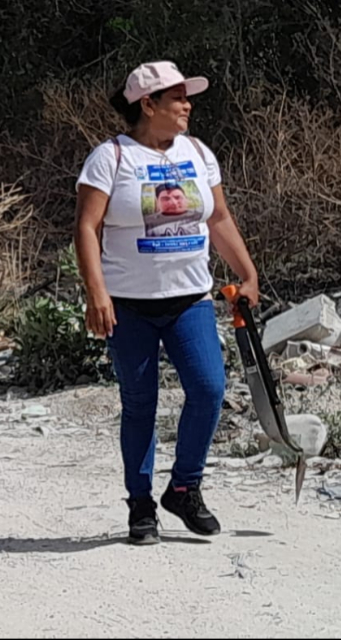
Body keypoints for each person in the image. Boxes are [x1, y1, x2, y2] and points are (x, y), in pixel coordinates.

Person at [74, 61, 260, 546]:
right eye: (176, 97)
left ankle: (184, 486)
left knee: (208, 389)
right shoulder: (110, 158)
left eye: (186, 96)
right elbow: (87, 228)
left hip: (190, 301)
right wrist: (97, 292)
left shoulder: (198, 152)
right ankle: (140, 505)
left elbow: (217, 217)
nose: (187, 105)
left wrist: (247, 273)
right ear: (147, 105)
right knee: (140, 405)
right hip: (129, 306)